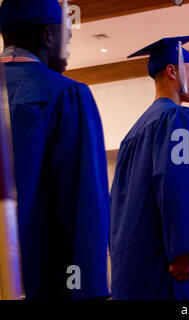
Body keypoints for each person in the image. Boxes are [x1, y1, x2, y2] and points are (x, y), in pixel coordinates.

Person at [0, 0, 110, 299]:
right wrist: (88, 289)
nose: (69, 48)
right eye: (67, 37)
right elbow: (84, 207)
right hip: (43, 284)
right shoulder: (66, 95)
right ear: (47, 37)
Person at [109, 35, 189, 300]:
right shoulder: (181, 117)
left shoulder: (133, 133)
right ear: (172, 71)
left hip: (135, 264)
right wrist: (183, 251)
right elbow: (179, 185)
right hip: (168, 262)